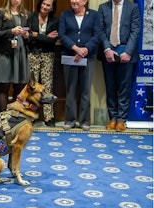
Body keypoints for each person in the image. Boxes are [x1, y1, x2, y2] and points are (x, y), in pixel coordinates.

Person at [98, 0, 140, 132]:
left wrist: (128, 52)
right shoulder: (103, 7)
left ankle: (121, 119)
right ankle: (113, 118)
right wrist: (107, 50)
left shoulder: (133, 7)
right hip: (108, 53)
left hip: (126, 53)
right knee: (110, 87)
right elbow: (100, 31)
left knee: (124, 88)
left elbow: (135, 31)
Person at [58, 0, 100, 131]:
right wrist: (76, 49)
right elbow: (62, 35)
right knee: (70, 90)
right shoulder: (65, 15)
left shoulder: (94, 15)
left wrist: (85, 49)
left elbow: (97, 35)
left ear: (85, 1)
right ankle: (69, 120)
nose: (74, 1)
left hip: (88, 57)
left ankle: (85, 121)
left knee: (85, 90)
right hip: (70, 56)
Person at [0, 0, 30, 112]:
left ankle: (15, 116)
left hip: (21, 53)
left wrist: (27, 35)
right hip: (5, 54)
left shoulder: (25, 14)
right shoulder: (0, 12)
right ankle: (3, 116)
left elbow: (30, 32)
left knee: (20, 87)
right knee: (4, 87)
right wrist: (11, 31)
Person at [27, 0, 59, 127]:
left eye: (48, 5)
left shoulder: (55, 21)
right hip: (32, 54)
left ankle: (48, 117)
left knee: (47, 85)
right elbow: (29, 38)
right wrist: (44, 36)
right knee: (32, 85)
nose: (45, 7)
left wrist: (37, 35)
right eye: (43, 4)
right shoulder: (31, 17)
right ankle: (30, 114)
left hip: (48, 55)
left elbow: (52, 41)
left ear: (52, 8)